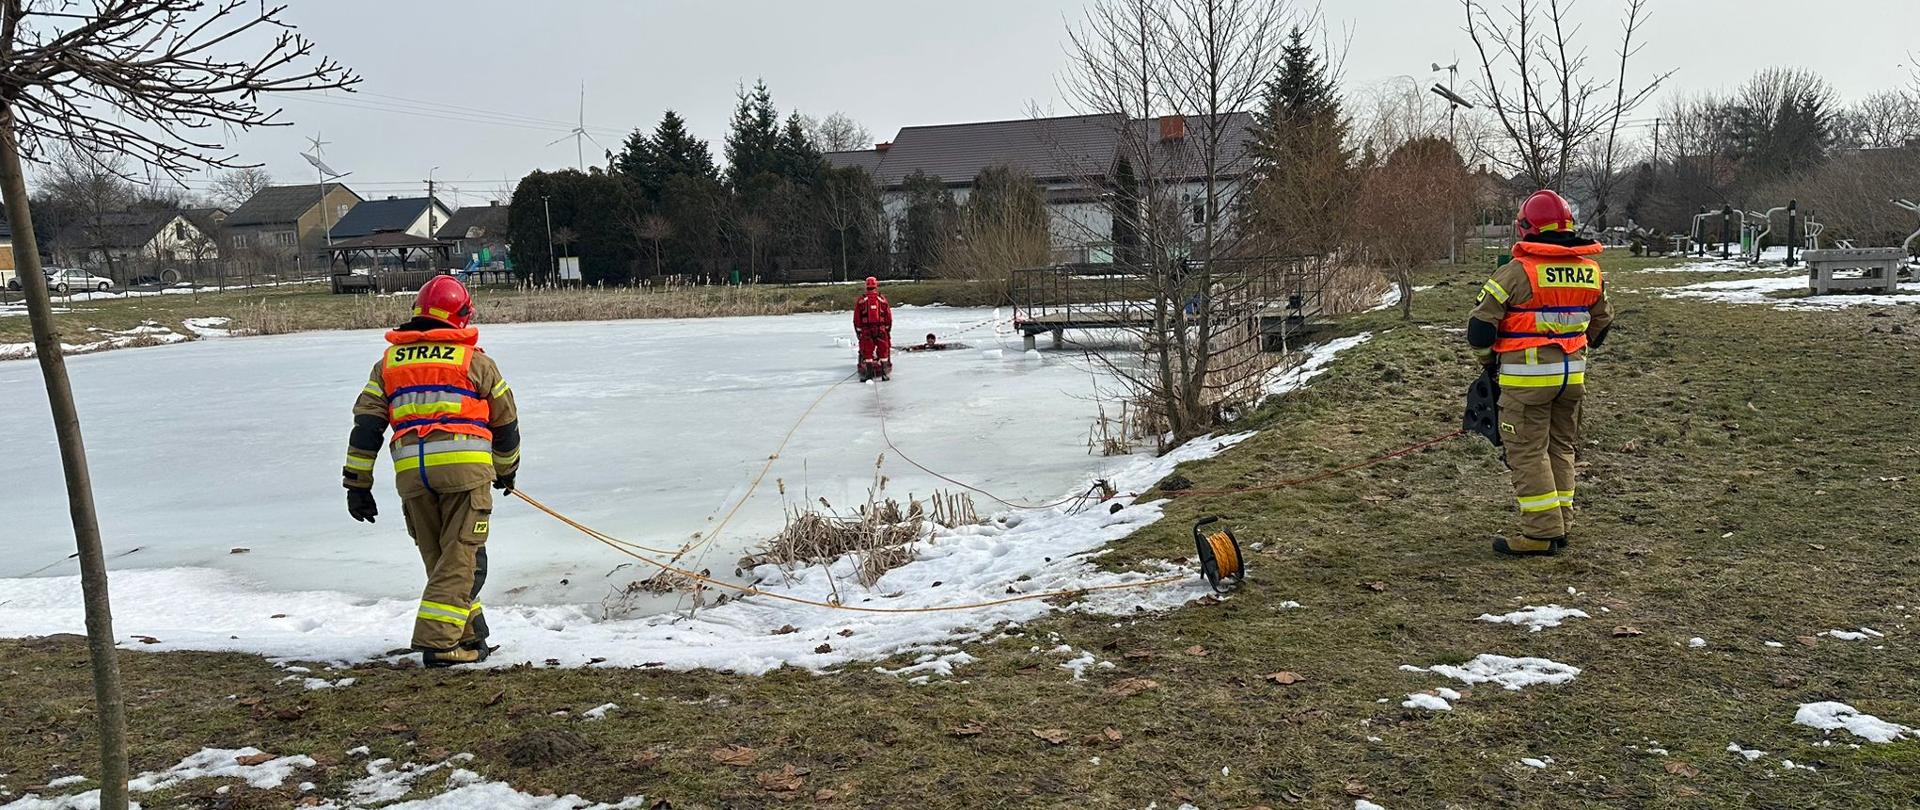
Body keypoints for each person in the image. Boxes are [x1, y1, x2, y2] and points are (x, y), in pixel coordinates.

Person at [343, 274, 521, 666]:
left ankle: (471, 637)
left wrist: (357, 485)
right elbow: (505, 424)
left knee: (443, 560)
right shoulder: (475, 362)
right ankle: (439, 643)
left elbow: (367, 427)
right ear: (460, 316)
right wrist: (506, 471)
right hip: (465, 476)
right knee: (465, 561)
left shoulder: (388, 364)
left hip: (413, 478)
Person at [1466, 190, 1613, 557]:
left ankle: (1539, 533)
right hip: (1572, 378)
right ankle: (1561, 523)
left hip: (1527, 381)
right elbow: (1602, 325)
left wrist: (1488, 362)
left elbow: (1480, 330)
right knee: (1560, 447)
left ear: (1526, 227)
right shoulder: (1590, 271)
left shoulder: (1517, 272)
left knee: (1528, 452)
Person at [853, 276, 892, 381]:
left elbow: (857, 317)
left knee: (867, 351)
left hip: (866, 330)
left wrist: (858, 331)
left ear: (866, 286)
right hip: (881, 329)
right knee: (883, 350)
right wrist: (887, 330)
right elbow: (888, 315)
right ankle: (884, 374)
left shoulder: (861, 300)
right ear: (876, 285)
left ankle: (868, 375)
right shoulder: (882, 299)